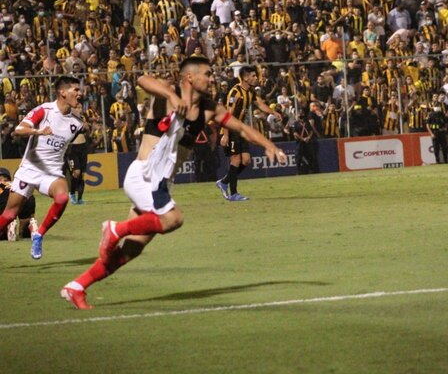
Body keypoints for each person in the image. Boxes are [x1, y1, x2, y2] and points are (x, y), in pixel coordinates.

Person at [60, 57, 287, 309]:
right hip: (145, 175)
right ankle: (115, 229)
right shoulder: (167, 96)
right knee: (173, 219)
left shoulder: (210, 109)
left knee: (133, 249)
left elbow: (242, 129)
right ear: (190, 77)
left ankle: (77, 286)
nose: (213, 79)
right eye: (208, 74)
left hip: (161, 184)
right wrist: (172, 94)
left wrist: (269, 145)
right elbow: (143, 80)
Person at [0, 76, 84, 258]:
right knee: (9, 214)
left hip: (52, 172)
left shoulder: (77, 123)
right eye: (75, 90)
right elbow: (19, 130)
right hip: (29, 169)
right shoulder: (44, 110)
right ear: (62, 92)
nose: (80, 93)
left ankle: (38, 235)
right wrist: (39, 131)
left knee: (62, 198)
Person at [216, 65, 281, 201]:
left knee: (246, 160)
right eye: (252, 76)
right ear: (245, 78)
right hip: (231, 128)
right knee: (236, 160)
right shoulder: (235, 92)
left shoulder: (250, 92)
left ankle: (224, 181)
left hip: (240, 129)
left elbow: (261, 104)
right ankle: (233, 194)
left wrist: (273, 112)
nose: (255, 78)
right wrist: (225, 135)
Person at [0, 167, 37, 241]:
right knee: (25, 220)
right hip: (26, 196)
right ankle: (29, 226)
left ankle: (7, 228)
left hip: (3, 198)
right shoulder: (14, 184)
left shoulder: (1, 186)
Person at [66, 103, 90, 204]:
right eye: (77, 108)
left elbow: (88, 130)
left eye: (80, 108)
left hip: (83, 147)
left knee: (82, 174)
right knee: (76, 172)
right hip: (73, 148)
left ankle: (80, 198)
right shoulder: (69, 119)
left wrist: (85, 124)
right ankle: (72, 194)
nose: (79, 109)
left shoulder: (82, 118)